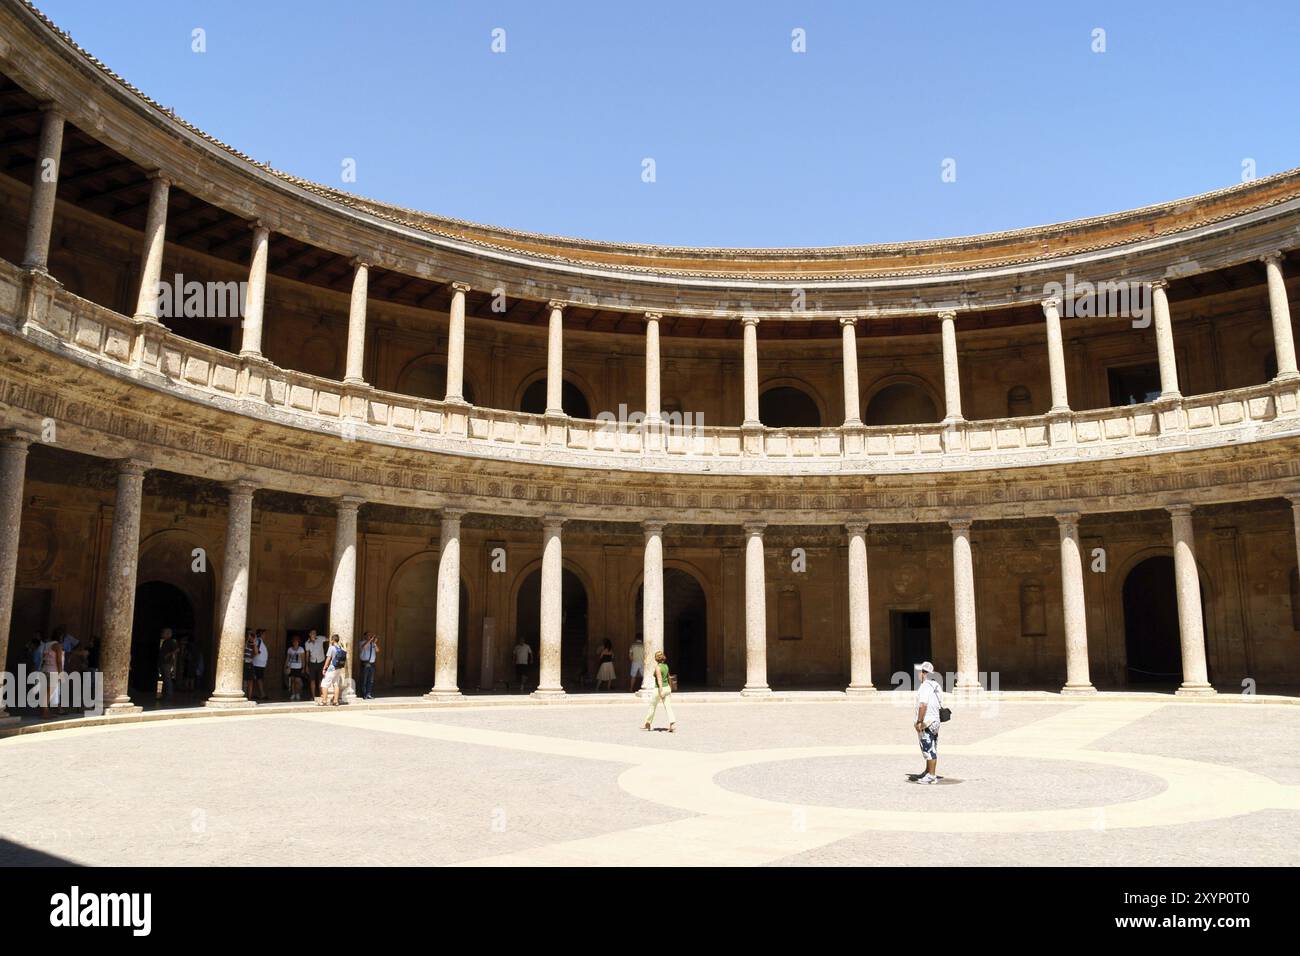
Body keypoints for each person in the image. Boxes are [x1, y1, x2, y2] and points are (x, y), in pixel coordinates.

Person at [912, 661, 944, 785]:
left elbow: (923, 705)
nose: (918, 674)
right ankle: (928, 771)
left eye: (919, 672)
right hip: (935, 720)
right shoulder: (936, 685)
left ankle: (931, 776)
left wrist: (919, 721)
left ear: (923, 673)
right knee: (932, 746)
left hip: (927, 721)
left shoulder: (925, 686)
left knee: (928, 748)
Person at [642, 650, 675, 733]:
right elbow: (668, 677)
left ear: (656, 659)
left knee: (652, 706)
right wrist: (670, 688)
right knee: (668, 707)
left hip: (659, 689)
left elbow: (659, 680)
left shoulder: (657, 667)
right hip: (667, 688)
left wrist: (661, 691)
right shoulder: (666, 666)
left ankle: (648, 723)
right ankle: (672, 723)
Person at [39, 633, 63, 719]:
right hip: (53, 671)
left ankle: (45, 711)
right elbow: (59, 661)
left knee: (45, 692)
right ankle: (45, 712)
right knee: (49, 693)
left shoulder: (46, 645)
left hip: (44, 670)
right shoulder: (57, 646)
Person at [319, 634, 346, 706]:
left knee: (324, 684)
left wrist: (324, 668)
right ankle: (335, 701)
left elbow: (328, 658)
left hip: (332, 668)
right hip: (338, 668)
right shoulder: (341, 647)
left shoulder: (331, 648)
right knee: (336, 684)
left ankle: (324, 701)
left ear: (333, 640)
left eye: (331, 640)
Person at [305, 629, 328, 699]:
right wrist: (306, 665)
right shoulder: (307, 643)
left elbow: (329, 639)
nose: (314, 634)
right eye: (312, 633)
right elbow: (307, 654)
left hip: (321, 662)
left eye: (315, 633)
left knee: (321, 680)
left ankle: (321, 695)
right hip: (312, 662)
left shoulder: (320, 638)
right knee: (312, 680)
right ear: (309, 634)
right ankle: (313, 696)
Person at [158, 628, 179, 701]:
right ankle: (164, 695)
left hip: (167, 663)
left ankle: (169, 695)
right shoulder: (164, 642)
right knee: (164, 679)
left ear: (168, 634)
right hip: (163, 662)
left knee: (167, 679)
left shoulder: (172, 641)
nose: (162, 634)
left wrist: (169, 654)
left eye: (163, 633)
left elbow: (177, 649)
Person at [285, 634, 307, 701]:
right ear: (292, 642)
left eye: (296, 641)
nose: (295, 642)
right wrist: (285, 666)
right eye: (294, 641)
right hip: (291, 667)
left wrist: (303, 668)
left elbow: (303, 659)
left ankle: (297, 693)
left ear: (298, 642)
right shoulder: (289, 649)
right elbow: (287, 658)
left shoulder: (301, 649)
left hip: (298, 667)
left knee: (297, 681)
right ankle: (293, 694)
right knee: (292, 681)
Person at [250, 629, 269, 701]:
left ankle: (255, 693)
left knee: (258, 679)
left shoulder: (260, 641)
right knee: (259, 679)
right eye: (264, 634)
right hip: (257, 664)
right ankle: (262, 694)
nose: (265, 636)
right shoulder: (258, 641)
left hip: (260, 664)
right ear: (261, 634)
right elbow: (256, 651)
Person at [358, 632, 379, 699]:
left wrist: (374, 643)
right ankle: (363, 694)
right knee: (364, 679)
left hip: (372, 664)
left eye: (370, 635)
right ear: (365, 636)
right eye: (368, 635)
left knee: (370, 680)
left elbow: (377, 650)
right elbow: (363, 647)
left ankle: (368, 693)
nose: (370, 636)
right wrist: (370, 640)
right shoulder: (362, 642)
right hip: (365, 663)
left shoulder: (373, 644)